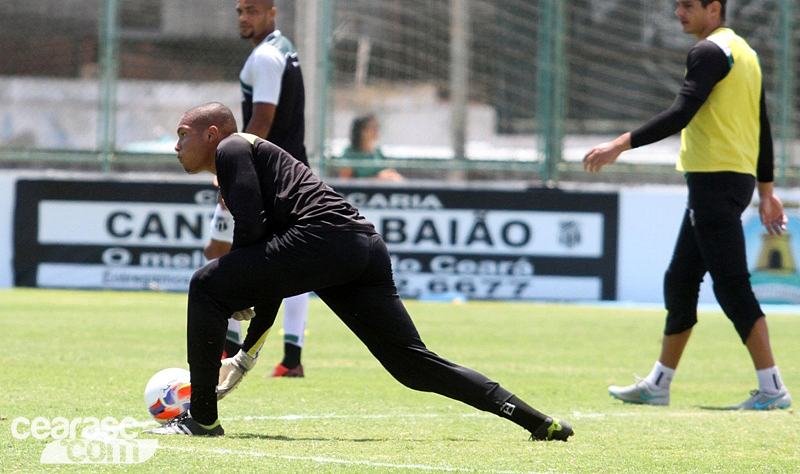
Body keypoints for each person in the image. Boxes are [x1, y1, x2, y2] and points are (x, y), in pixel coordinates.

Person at [146, 102, 574, 440]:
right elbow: (273, 266)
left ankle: (201, 419)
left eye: (182, 135)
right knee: (412, 365)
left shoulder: (232, 148)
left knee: (205, 284)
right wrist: (246, 351)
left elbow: (254, 235)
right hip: (360, 246)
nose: (176, 146)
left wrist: (238, 289)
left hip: (324, 239)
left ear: (212, 134)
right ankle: (535, 419)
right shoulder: (247, 159)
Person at [583, 0, 791, 410]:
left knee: (731, 286)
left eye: (688, 6)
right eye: (679, 5)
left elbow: (681, 112)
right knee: (680, 280)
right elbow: (763, 126)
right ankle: (658, 384)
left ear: (714, 9)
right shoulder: (744, 51)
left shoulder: (709, 51)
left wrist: (620, 144)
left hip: (715, 181)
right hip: (727, 181)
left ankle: (773, 388)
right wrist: (767, 191)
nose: (679, 13)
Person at [204, 0, 309, 378]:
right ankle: (291, 358)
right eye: (240, 10)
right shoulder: (284, 49)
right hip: (292, 169)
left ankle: (230, 348)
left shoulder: (265, 56)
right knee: (292, 265)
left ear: (271, 13)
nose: (244, 18)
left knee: (220, 252)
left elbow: (262, 119)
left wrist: (237, 167)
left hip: (266, 173)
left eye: (252, 10)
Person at [338, 114, 403, 181]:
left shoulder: (377, 152)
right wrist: (377, 178)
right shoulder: (350, 154)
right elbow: (345, 181)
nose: (376, 131)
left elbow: (388, 171)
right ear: (362, 131)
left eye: (377, 127)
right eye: (372, 127)